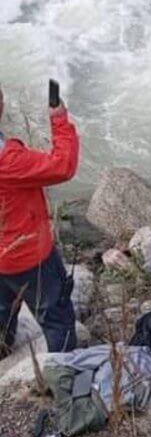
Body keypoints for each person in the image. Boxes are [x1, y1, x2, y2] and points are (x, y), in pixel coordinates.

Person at [0, 84, 81, 358]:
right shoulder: (9, 162)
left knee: (2, 310)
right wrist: (59, 119)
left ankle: (3, 353)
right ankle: (64, 375)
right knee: (56, 316)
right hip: (28, 257)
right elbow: (63, 165)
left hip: (2, 256)